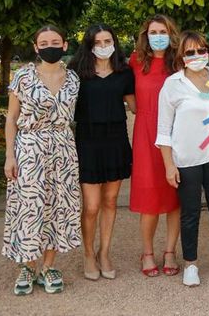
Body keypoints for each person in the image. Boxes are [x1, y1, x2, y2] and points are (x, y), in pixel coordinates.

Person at [156, 31, 209, 286]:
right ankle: (191, 264)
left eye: (201, 50)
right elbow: (163, 129)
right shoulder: (173, 84)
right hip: (186, 157)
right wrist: (169, 165)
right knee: (190, 213)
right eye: (190, 52)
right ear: (181, 56)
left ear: (208, 52)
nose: (196, 55)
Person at [3, 26, 81, 295]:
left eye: (55, 42)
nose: (50, 46)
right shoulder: (23, 77)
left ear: (65, 45)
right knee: (30, 207)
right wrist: (9, 155)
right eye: (44, 43)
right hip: (29, 148)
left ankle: (48, 266)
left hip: (63, 149)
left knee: (58, 207)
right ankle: (27, 266)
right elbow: (11, 118)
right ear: (36, 47)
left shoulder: (73, 79)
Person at [70, 24, 135, 281]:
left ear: (114, 42)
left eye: (108, 41)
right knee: (91, 206)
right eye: (98, 42)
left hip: (115, 140)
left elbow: (136, 106)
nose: (103, 46)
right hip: (87, 142)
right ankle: (88, 253)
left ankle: (104, 252)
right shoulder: (77, 72)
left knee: (110, 201)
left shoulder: (124, 72)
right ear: (89, 45)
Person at [128, 14, 182, 277]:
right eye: (153, 32)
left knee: (175, 196)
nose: (158, 36)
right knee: (149, 195)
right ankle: (147, 252)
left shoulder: (180, 62)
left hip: (178, 133)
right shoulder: (136, 61)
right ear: (145, 35)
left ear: (171, 34)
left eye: (163, 32)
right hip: (146, 133)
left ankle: (170, 251)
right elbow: (129, 96)